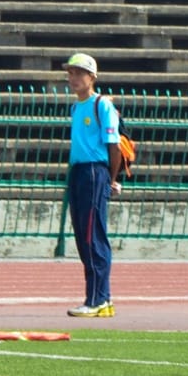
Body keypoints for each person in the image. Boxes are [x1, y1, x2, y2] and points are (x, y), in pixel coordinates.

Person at [62, 52, 123, 320]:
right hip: (78, 171)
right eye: (71, 73)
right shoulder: (76, 107)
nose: (73, 78)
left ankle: (96, 299)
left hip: (94, 172)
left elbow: (114, 146)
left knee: (92, 236)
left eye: (79, 73)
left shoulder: (102, 106)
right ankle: (103, 298)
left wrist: (110, 179)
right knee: (82, 236)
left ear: (91, 77)